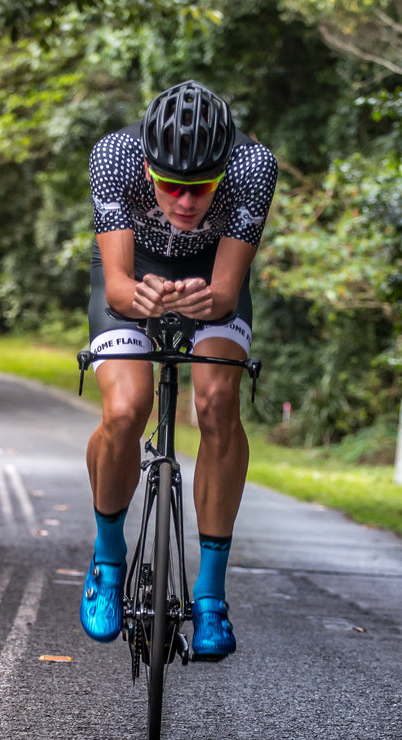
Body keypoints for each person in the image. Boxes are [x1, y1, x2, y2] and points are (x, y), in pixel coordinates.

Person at [80, 80, 277, 659]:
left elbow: (226, 292)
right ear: (147, 167)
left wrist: (205, 298)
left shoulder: (253, 166)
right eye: (170, 186)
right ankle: (108, 560)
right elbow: (118, 285)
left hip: (211, 277)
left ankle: (210, 596)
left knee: (216, 403)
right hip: (134, 271)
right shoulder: (114, 155)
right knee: (125, 408)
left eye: (201, 189)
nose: (185, 203)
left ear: (223, 171)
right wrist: (137, 296)